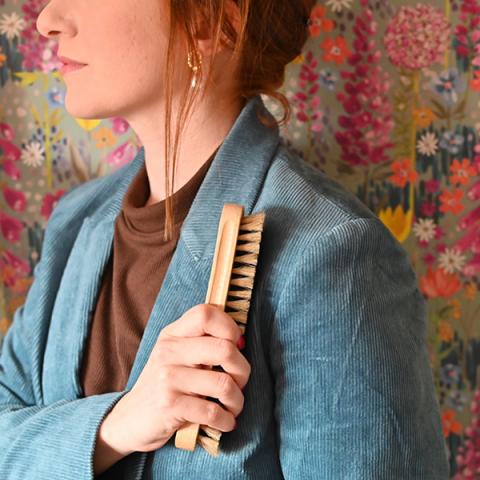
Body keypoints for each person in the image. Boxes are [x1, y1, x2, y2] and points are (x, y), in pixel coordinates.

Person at [0, 0, 449, 478]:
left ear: (211, 23)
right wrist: (117, 425)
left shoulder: (331, 251)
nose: (47, 20)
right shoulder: (75, 223)